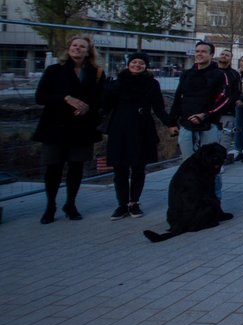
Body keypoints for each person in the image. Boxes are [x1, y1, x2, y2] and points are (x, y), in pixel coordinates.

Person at [34, 36, 106, 224]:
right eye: (74, 45)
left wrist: (89, 107)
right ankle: (50, 205)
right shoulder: (54, 71)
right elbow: (40, 97)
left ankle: (71, 204)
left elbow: (101, 99)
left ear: (88, 51)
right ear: (69, 48)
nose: (77, 49)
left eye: (82, 47)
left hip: (82, 127)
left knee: (76, 167)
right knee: (54, 168)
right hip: (55, 127)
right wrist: (66, 98)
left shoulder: (96, 73)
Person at [102, 52, 174, 220]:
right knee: (119, 168)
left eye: (141, 63)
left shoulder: (152, 84)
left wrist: (170, 123)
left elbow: (158, 108)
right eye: (134, 62)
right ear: (128, 64)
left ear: (146, 66)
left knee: (138, 168)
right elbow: (105, 106)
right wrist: (105, 91)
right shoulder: (117, 83)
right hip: (119, 129)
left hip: (142, 128)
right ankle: (121, 204)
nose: (137, 65)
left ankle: (134, 202)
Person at [169, 41, 229, 198]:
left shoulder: (219, 75)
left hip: (209, 125)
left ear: (211, 55)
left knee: (212, 165)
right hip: (187, 125)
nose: (199, 54)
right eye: (197, 51)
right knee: (188, 165)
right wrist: (171, 122)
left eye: (203, 51)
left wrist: (205, 114)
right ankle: (190, 199)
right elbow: (178, 98)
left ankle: (215, 200)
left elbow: (223, 99)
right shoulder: (187, 74)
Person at [216, 49, 240, 159]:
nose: (224, 56)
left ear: (230, 59)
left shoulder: (234, 74)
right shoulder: (212, 71)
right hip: (210, 111)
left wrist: (227, 104)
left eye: (227, 55)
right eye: (222, 54)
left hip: (227, 111)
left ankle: (220, 160)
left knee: (225, 137)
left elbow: (236, 93)